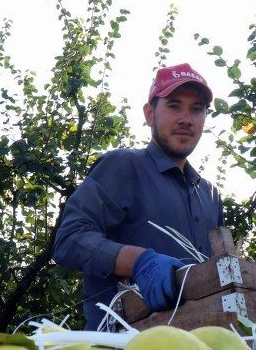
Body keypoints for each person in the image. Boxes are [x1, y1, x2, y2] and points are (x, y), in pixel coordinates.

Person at [52, 63, 225, 330]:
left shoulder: (209, 194)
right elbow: (69, 239)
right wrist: (139, 261)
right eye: (174, 105)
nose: (186, 119)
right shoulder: (123, 166)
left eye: (197, 109)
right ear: (149, 113)